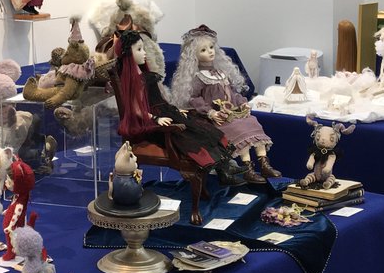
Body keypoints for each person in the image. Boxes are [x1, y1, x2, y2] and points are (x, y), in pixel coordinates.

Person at [111, 30, 241, 184]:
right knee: (188, 134)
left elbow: (157, 99)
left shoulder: (143, 74)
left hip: (164, 111)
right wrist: (156, 119)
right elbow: (135, 109)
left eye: (143, 48)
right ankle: (222, 169)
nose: (144, 53)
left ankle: (224, 168)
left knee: (201, 127)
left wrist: (175, 110)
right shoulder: (133, 81)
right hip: (153, 121)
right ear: (128, 55)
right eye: (139, 49)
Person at [171, 25, 279, 183]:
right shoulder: (198, 77)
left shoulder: (221, 73)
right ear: (194, 55)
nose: (210, 51)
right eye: (203, 50)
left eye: (211, 47)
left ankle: (264, 164)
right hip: (217, 118)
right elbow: (194, 98)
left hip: (232, 113)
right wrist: (210, 112)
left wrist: (242, 103)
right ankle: (247, 168)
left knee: (252, 122)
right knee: (239, 129)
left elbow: (232, 94)